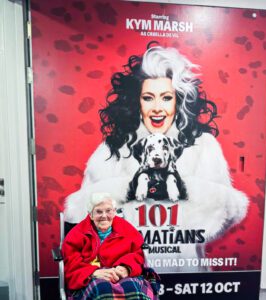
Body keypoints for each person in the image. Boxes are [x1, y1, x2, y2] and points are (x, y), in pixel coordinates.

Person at [64, 44, 248, 272]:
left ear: (178, 101)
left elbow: (228, 210)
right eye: (148, 98)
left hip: (186, 274)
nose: (157, 108)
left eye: (167, 97)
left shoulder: (203, 146)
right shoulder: (112, 149)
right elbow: (80, 212)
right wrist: (127, 189)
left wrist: (184, 188)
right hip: (128, 275)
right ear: (137, 103)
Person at [62, 192, 159, 299]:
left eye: (108, 211)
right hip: (93, 277)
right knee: (102, 289)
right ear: (90, 214)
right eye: (99, 211)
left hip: (120, 273)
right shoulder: (77, 234)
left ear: (114, 212)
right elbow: (72, 263)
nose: (104, 216)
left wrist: (126, 267)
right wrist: (93, 272)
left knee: (133, 288)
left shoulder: (126, 228)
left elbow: (137, 253)